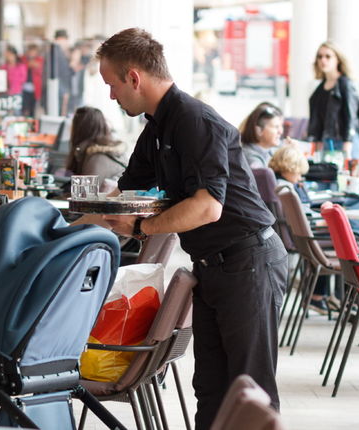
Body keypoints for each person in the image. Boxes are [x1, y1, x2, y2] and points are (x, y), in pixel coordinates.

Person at [95, 28, 288, 430]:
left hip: (249, 261)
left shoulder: (193, 120)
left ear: (134, 77)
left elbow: (206, 207)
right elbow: (120, 198)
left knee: (252, 392)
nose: (111, 96)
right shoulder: (157, 126)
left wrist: (143, 227)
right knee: (211, 389)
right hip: (213, 264)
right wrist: (60, 231)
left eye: (112, 85)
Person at [307, 41, 359, 160]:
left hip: (346, 142)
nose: (323, 60)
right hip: (328, 142)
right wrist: (317, 142)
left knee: (347, 171)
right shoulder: (319, 89)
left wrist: (347, 144)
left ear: (337, 59)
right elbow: (317, 121)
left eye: (328, 56)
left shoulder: (345, 84)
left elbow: (351, 116)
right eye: (320, 57)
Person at [64, 106, 127, 192]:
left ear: (79, 128)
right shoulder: (98, 152)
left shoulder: (97, 157)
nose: (70, 128)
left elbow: (86, 193)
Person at [240, 102, 285, 169]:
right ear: (259, 130)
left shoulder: (271, 149)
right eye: (276, 127)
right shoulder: (252, 160)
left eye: (281, 126)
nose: (281, 132)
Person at [21, 44, 44, 117]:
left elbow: (39, 68)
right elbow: (25, 65)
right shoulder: (23, 59)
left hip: (35, 88)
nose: (32, 53)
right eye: (30, 51)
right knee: (25, 108)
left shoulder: (40, 59)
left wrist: (32, 64)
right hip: (24, 87)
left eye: (34, 52)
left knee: (33, 108)